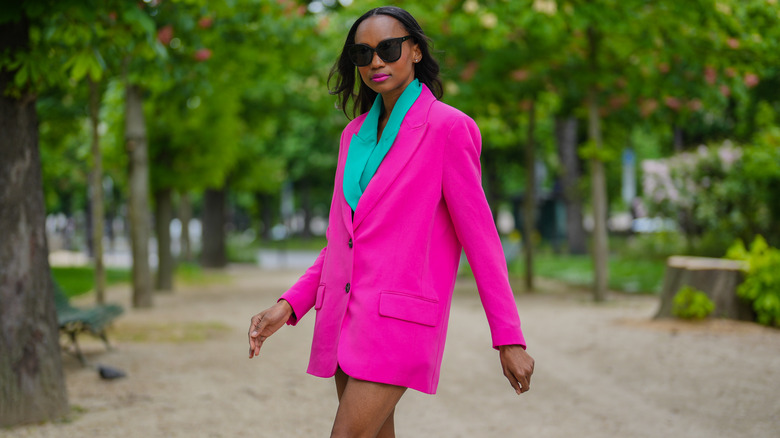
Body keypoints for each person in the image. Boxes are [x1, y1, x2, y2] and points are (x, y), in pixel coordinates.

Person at [248, 6, 534, 438]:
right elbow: (341, 243)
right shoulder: (353, 136)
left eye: (388, 48)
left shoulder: (448, 129)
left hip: (397, 326)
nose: (376, 61)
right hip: (344, 318)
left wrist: (509, 337)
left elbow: (482, 240)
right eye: (363, 54)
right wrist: (289, 305)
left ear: (415, 51)